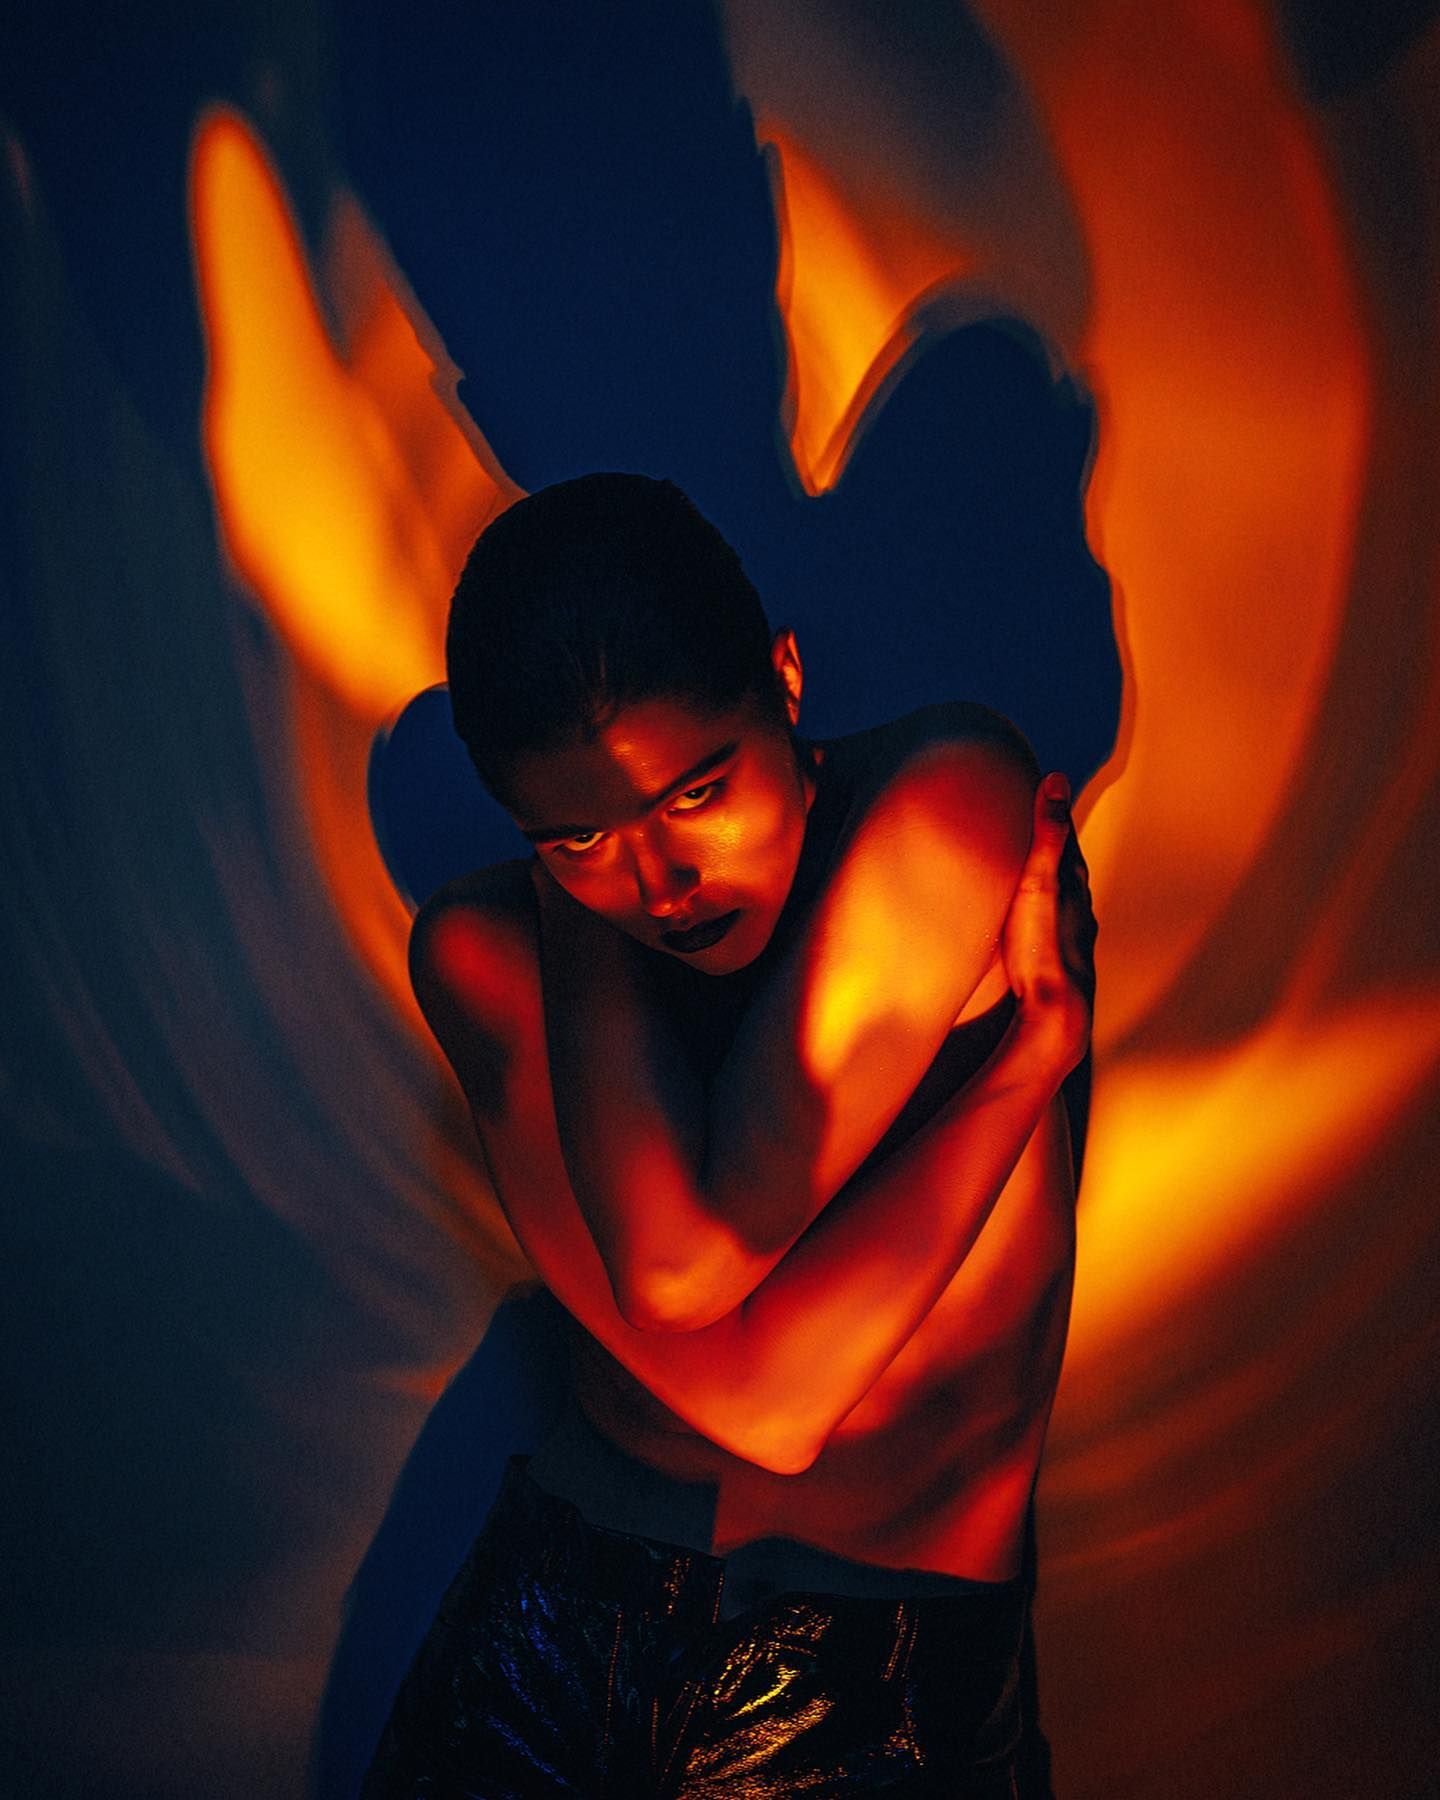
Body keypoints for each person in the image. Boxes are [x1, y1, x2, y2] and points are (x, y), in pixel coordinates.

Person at [362, 472, 1095, 1796]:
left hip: (881, 1669)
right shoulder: (486, 952)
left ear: (786, 680)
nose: (663, 886)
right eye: (576, 837)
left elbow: (760, 1375)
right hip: (551, 1621)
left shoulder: (946, 801)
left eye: (698, 791)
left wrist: (590, 847)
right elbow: (703, 1313)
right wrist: (1026, 1064)